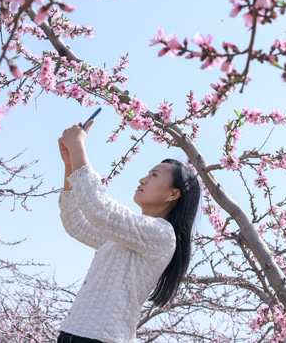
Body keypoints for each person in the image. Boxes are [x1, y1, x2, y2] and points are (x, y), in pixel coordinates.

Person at [56, 119, 200, 343]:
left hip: (100, 338)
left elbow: (100, 209)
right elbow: (75, 223)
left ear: (173, 194)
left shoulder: (162, 234)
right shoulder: (128, 237)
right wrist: (69, 164)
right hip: (75, 334)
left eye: (154, 175)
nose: (143, 179)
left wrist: (78, 148)